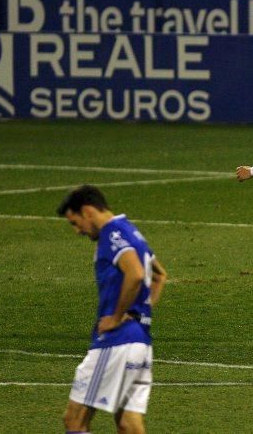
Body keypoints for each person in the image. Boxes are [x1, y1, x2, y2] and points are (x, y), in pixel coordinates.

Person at [58, 185, 167, 434]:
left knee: (75, 419)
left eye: (75, 223)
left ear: (87, 211)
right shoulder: (131, 231)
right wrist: (141, 314)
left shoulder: (111, 233)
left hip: (115, 342)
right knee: (129, 425)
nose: (77, 231)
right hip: (139, 342)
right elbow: (160, 276)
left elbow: (136, 274)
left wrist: (117, 318)